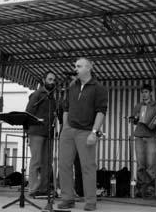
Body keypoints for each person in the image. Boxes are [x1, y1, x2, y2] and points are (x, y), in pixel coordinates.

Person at [58, 57, 108, 211]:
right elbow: (66, 108)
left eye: (79, 66)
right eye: (75, 66)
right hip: (69, 131)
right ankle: (67, 198)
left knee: (88, 167)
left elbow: (101, 111)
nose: (75, 69)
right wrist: (65, 127)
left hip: (86, 131)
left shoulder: (99, 87)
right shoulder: (72, 86)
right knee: (64, 165)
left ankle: (91, 201)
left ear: (89, 68)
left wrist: (94, 132)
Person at [26, 71, 56, 197]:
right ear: (43, 80)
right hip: (36, 132)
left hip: (48, 133)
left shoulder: (52, 97)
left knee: (47, 162)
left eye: (54, 80)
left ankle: (44, 189)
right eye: (50, 79)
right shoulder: (37, 94)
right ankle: (33, 189)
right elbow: (28, 112)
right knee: (36, 161)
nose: (52, 82)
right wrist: (28, 132)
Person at [130, 84, 156, 198]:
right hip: (139, 136)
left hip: (151, 136)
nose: (144, 94)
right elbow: (133, 121)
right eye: (142, 92)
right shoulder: (138, 106)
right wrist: (134, 119)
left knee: (151, 164)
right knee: (140, 164)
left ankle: (150, 189)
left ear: (151, 93)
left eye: (146, 91)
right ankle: (140, 189)